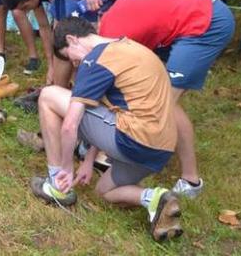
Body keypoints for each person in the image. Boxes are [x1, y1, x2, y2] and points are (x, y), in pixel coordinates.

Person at [33, 18, 182, 242]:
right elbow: (108, 109)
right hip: (159, 149)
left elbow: (71, 124)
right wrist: (88, 160)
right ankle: (153, 198)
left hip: (135, 139)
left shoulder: (97, 59)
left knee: (48, 96)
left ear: (72, 39)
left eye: (71, 58)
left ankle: (56, 185)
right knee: (104, 192)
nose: (75, 64)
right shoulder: (131, 48)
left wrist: (66, 167)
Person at [99, 0, 235, 198]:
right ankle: (146, 150)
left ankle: (191, 180)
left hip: (206, 22)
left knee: (163, 105)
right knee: (151, 95)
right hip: (179, 22)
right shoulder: (108, 28)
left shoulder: (112, 42)